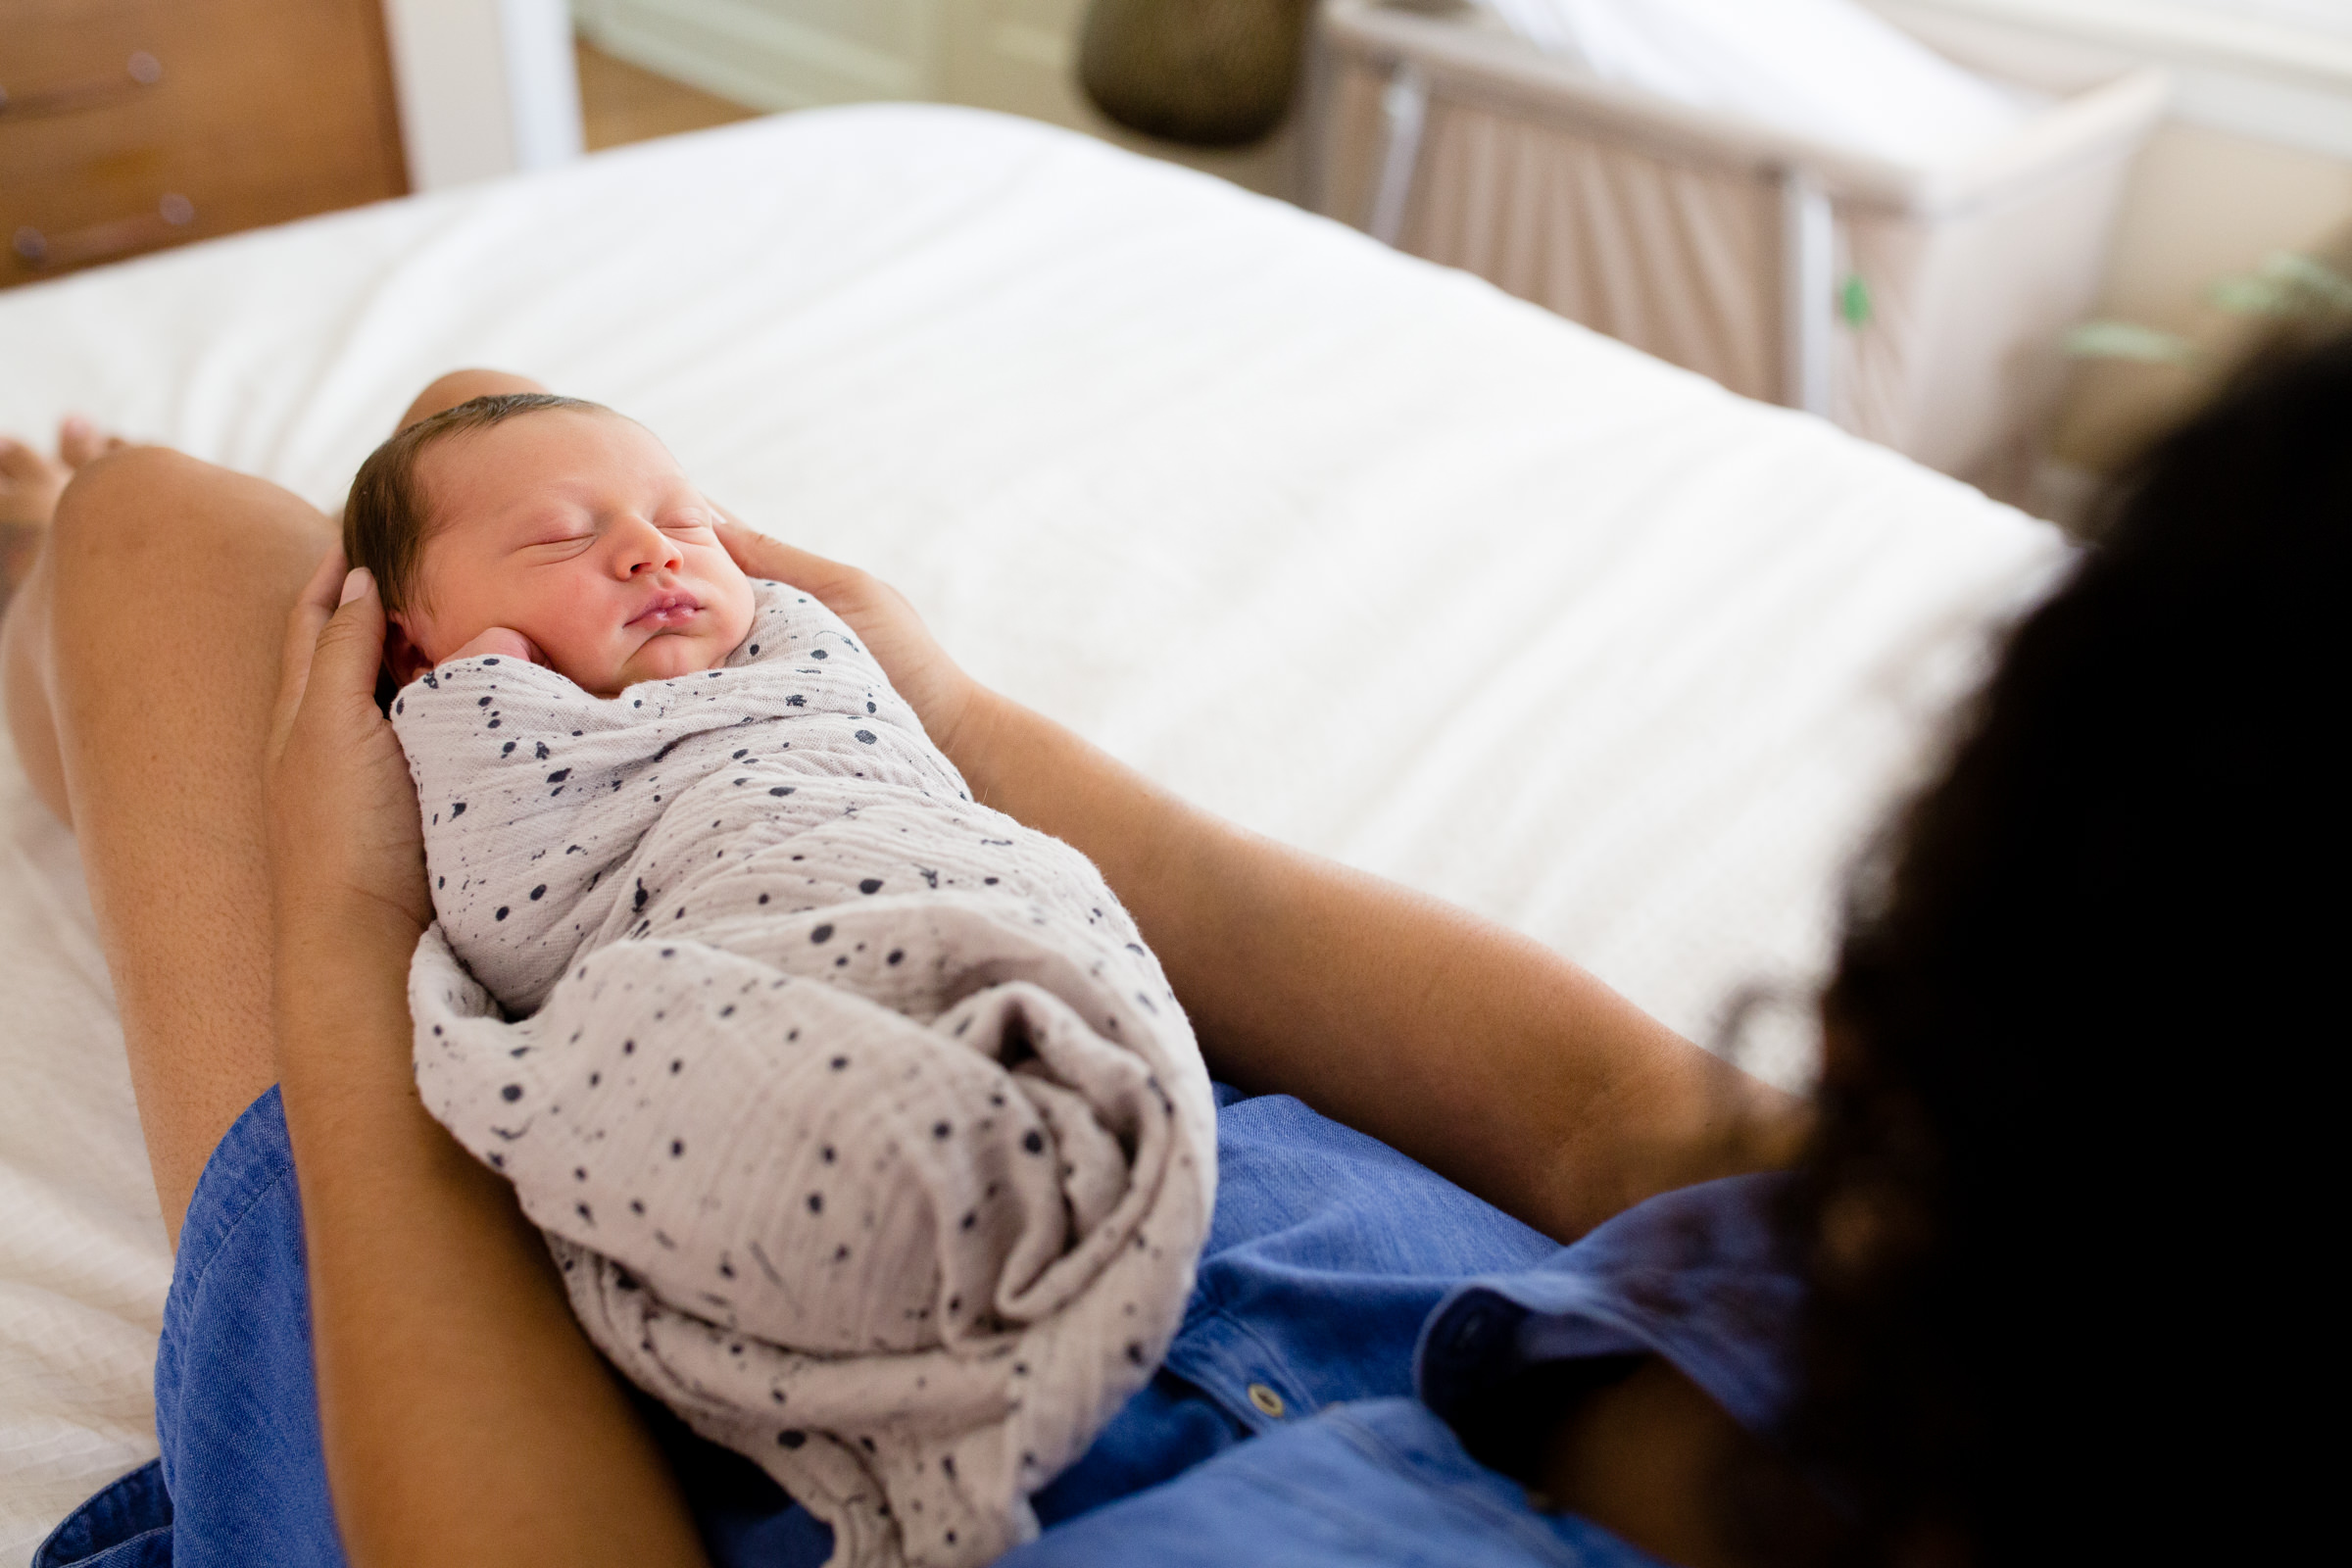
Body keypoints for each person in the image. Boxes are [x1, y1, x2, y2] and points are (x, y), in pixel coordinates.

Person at [3, 327, 2329, 1566]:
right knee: (401, 449)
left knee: (153, 541)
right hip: (1032, 1064)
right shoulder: (1922, 1300)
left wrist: (348, 937)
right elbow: (1602, 1108)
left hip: (544, 1367)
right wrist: (958, 725)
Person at [350, 383, 1221, 1563]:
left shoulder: (802, 647)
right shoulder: (480, 729)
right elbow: (510, 921)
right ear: (417, 648)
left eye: (687, 521)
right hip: (718, 969)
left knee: (458, 403)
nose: (651, 549)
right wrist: (473, 696)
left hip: (932, 902)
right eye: (563, 535)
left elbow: (919, 782)